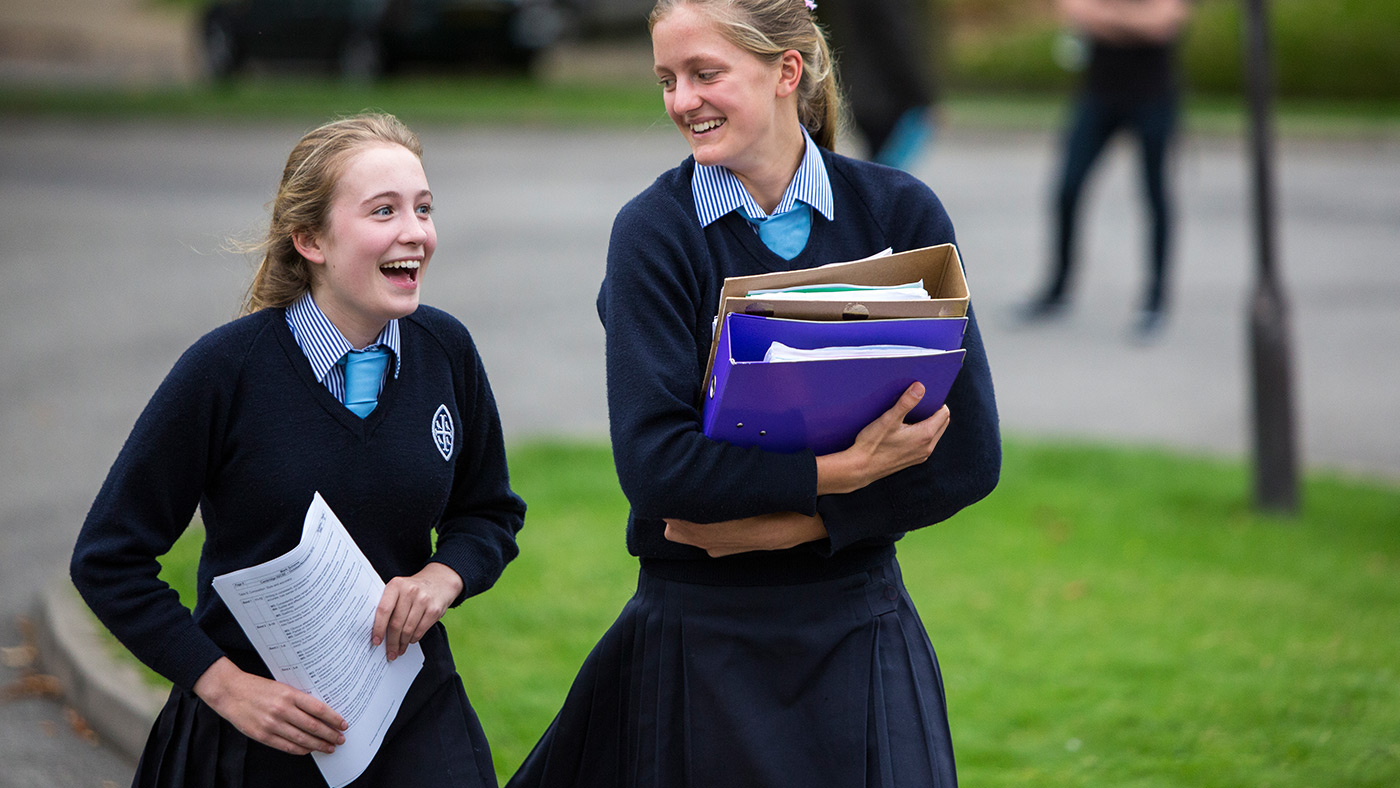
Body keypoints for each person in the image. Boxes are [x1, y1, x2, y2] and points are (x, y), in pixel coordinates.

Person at [507, 1, 1000, 786]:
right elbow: (657, 469)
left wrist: (775, 528)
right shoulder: (654, 232)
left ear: (785, 72)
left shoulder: (899, 210)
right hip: (700, 637)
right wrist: (843, 474)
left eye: (706, 74)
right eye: (667, 79)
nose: (681, 101)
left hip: (858, 622)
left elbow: (968, 456)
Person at [70, 112, 526, 788]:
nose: (416, 233)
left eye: (423, 208)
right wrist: (224, 688)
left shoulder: (446, 351)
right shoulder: (224, 370)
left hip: (416, 724)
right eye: (383, 210)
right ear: (309, 238)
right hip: (254, 742)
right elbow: (108, 560)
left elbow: (488, 514)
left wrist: (442, 577)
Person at [1023, 0, 1191, 337]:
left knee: (1154, 195)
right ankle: (1057, 290)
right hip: (1099, 95)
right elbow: (1074, 10)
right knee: (1067, 189)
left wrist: (1106, 20)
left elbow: (1164, 23)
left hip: (1153, 96)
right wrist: (1132, 23)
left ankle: (1155, 300)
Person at [816, 0, 942, 170]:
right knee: (887, 174)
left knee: (879, 170)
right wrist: (924, 99)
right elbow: (896, 45)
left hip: (863, 92)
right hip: (888, 98)